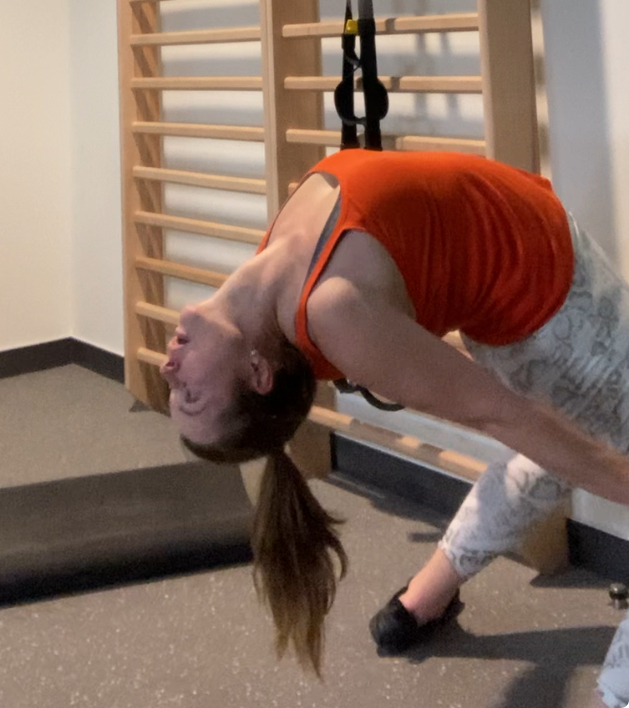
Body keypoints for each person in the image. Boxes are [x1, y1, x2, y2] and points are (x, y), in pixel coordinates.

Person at [160, 148, 629, 705]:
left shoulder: (267, 279)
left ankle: (426, 596)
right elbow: (505, 414)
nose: (167, 370)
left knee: (563, 441)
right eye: (189, 395)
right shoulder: (332, 312)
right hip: (545, 294)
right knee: (559, 441)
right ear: (258, 373)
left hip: (527, 257)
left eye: (174, 390)